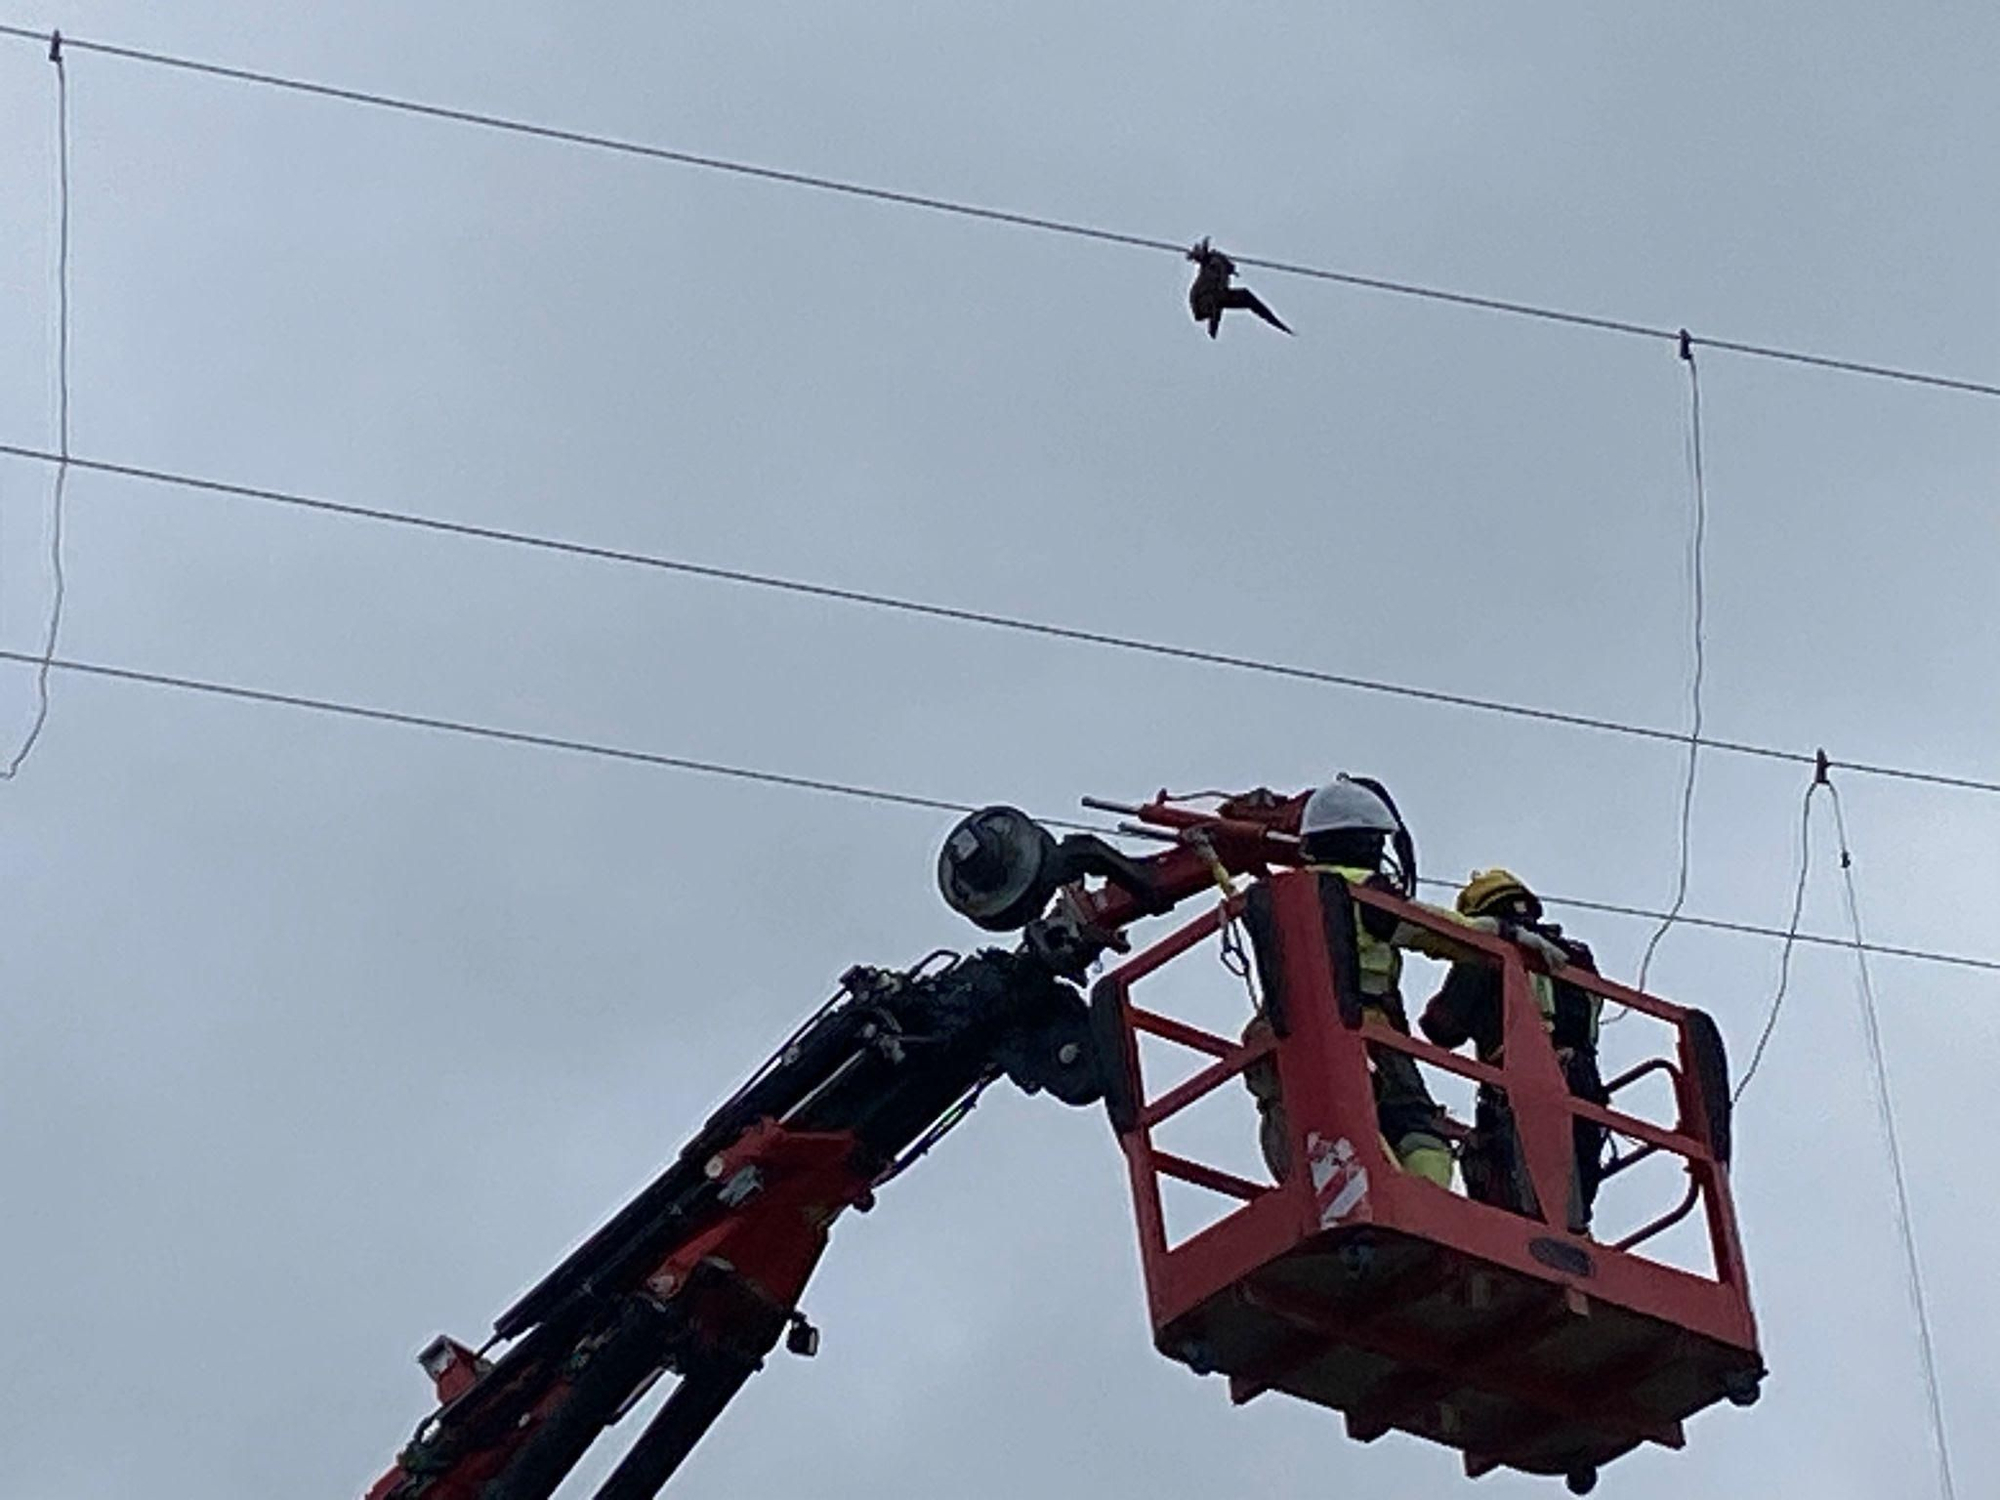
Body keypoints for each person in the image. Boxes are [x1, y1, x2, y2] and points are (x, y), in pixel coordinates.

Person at [1243, 777, 1558, 1189]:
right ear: (1368, 842)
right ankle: (1423, 1203)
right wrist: (1504, 936)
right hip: (1367, 1031)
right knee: (1418, 1128)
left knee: (1325, 1120)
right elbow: (1434, 931)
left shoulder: (1274, 899)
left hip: (1284, 1037)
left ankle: (1363, 1192)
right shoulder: (1364, 891)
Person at [1419, 869, 1609, 1232]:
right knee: (1574, 1185)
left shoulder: (1490, 950)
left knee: (1519, 1190)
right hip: (1585, 1083)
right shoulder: (1577, 955)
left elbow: (1442, 1028)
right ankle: (1575, 1238)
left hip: (1523, 1087)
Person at [1186, 238, 1293, 338]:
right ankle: (1213, 322)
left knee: (1244, 296)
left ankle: (1277, 323)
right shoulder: (1211, 262)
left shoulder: (1223, 273)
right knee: (1218, 300)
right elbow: (1202, 257)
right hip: (1201, 298)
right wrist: (1201, 253)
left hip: (1212, 298)